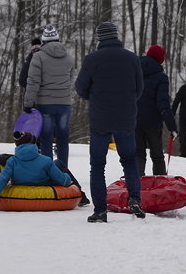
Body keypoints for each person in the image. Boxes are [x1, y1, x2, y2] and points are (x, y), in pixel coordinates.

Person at [74, 21, 145, 223]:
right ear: (116, 36)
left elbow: (80, 88)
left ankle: (100, 210)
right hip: (126, 118)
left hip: (100, 119)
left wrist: (96, 98)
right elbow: (139, 89)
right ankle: (135, 200)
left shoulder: (92, 59)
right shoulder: (132, 59)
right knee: (129, 160)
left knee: (97, 165)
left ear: (100, 38)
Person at [0, 132, 73, 213]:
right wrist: (68, 180)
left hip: (19, 187)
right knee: (60, 165)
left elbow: (1, 180)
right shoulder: (45, 160)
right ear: (34, 143)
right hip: (44, 189)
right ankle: (82, 198)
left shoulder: (12, 161)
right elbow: (61, 180)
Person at [24, 24, 75, 168]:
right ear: (58, 40)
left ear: (44, 41)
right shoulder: (69, 57)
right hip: (64, 104)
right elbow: (71, 78)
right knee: (63, 139)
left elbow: (33, 82)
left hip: (45, 103)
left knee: (46, 139)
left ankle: (48, 170)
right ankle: (63, 169)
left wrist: (28, 103)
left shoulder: (38, 57)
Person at [136, 44, 177, 176]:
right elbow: (163, 103)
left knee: (138, 154)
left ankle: (136, 185)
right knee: (157, 155)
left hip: (134, 120)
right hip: (153, 122)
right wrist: (172, 126)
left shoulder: (134, 71)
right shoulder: (161, 77)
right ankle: (159, 183)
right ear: (160, 60)